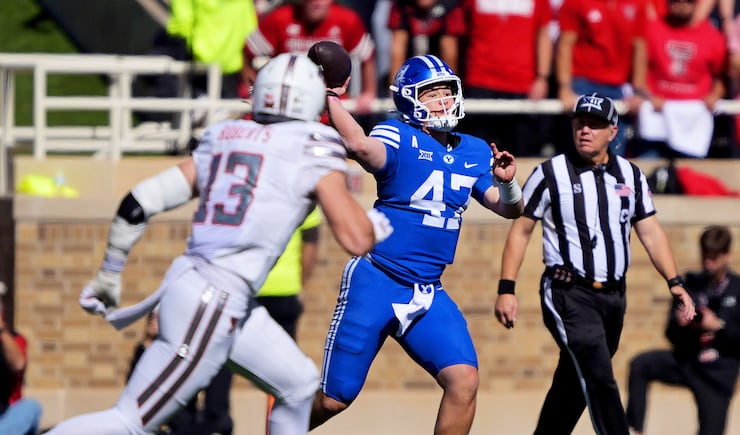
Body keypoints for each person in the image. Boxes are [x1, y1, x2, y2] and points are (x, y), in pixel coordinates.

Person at [46, 52, 391, 435]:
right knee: (130, 421)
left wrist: (110, 272)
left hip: (207, 290)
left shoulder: (225, 135)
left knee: (298, 385)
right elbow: (356, 238)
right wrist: (374, 227)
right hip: (215, 299)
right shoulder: (313, 144)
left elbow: (140, 200)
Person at [310, 54, 524, 434]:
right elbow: (359, 145)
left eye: (446, 92)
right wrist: (329, 96)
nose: (443, 101)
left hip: (427, 290)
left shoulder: (474, 150)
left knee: (464, 381)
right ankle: (281, 423)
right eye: (431, 93)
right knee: (334, 398)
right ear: (409, 100)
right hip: (377, 278)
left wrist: (507, 183)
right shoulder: (397, 134)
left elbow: (509, 210)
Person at [493, 93, 696, 435]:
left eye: (595, 125)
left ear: (613, 131)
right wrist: (506, 288)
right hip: (568, 291)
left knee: (575, 380)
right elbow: (521, 230)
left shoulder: (630, 175)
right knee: (599, 374)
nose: (585, 130)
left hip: (614, 296)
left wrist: (674, 282)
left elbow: (650, 232)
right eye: (580, 123)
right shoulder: (551, 173)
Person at [626, 225, 740, 435]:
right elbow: (670, 334)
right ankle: (635, 430)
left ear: (727, 255)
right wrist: (681, 324)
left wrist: (718, 326)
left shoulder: (738, 288)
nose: (708, 262)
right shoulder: (691, 284)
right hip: (687, 360)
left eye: (714, 257)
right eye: (705, 256)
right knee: (641, 364)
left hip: (717, 373)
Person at [630, 0, 727, 159]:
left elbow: (721, 76)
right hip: (656, 115)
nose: (681, 4)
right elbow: (639, 73)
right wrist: (646, 95)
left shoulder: (712, 36)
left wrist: (715, 94)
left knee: (688, 172)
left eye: (688, 1)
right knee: (647, 169)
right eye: (676, 0)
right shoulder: (652, 29)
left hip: (692, 121)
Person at [242, 0, 377, 114]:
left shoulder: (347, 19)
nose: (317, 2)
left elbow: (367, 55)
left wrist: (368, 93)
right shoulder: (280, 18)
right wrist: (253, 90)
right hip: (288, 106)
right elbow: (249, 51)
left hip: (332, 107)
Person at [458, 0, 554, 157]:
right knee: (477, 155)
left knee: (521, 154)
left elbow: (544, 34)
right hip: (480, 83)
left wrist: (542, 77)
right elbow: (458, 33)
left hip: (522, 85)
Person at [556, 0, 650, 156]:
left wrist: (638, 90)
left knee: (613, 155)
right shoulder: (576, 2)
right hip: (583, 83)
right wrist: (565, 87)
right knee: (581, 151)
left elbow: (639, 46)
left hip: (619, 88)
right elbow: (565, 43)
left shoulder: (638, 4)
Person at [257, 207, 322, 425]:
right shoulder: (305, 195)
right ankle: (277, 424)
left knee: (224, 358)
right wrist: (302, 284)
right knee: (283, 370)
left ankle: (216, 419)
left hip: (252, 287)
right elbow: (310, 247)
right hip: (285, 288)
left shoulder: (256, 192)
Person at [127, 309, 234, 435]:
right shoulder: (143, 350)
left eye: (157, 318)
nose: (153, 321)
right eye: (151, 317)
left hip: (183, 419)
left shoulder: (183, 350)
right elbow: (132, 384)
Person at [0, 282, 43, 435]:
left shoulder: (13, 339)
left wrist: (1, 329)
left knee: (31, 407)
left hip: (5, 416)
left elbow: (18, 363)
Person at [387, 0, 465, 82]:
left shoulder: (449, 6)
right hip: (410, 71)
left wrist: (449, 82)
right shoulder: (401, 5)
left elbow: (449, 53)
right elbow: (398, 51)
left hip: (438, 71)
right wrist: (395, 83)